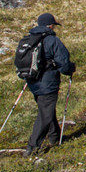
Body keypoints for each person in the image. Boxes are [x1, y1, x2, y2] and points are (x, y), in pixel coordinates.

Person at [24, 12, 75, 155]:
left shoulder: (30, 38)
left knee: (46, 109)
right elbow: (63, 64)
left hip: (33, 81)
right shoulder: (52, 40)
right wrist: (71, 69)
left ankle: (55, 137)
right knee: (45, 114)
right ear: (51, 25)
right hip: (48, 82)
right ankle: (32, 147)